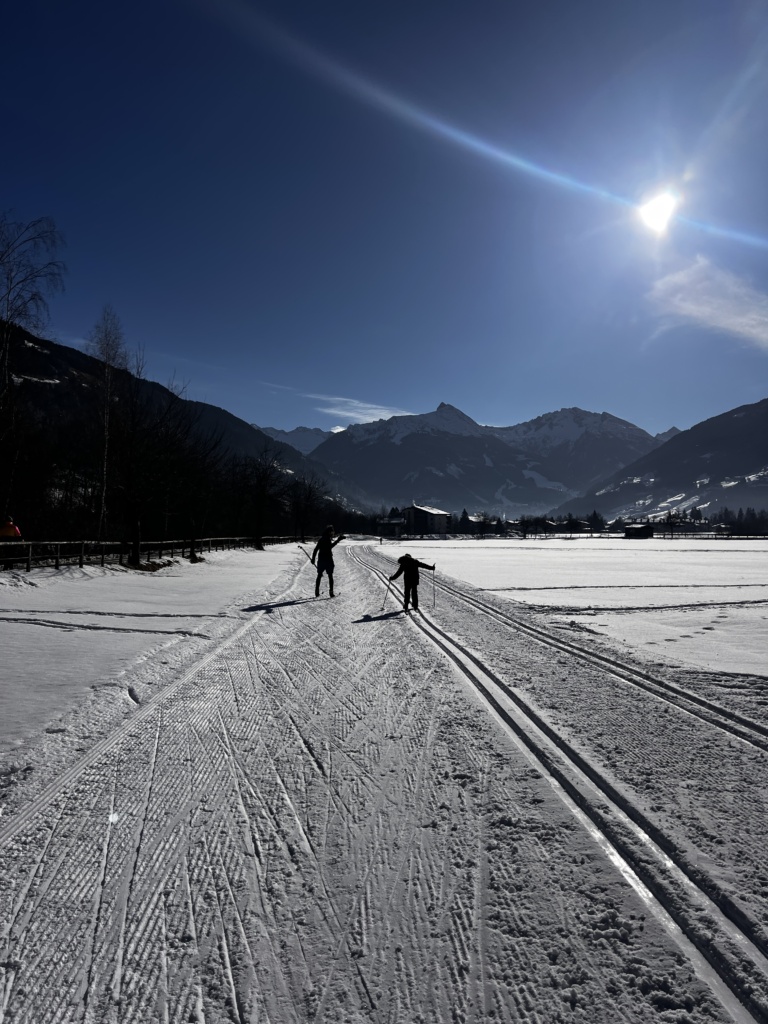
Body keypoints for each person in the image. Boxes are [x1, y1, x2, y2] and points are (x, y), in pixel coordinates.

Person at [311, 525, 345, 598]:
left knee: (319, 575)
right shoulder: (327, 539)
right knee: (330, 576)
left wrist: (313, 558)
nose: (333, 533)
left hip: (321, 560)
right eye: (332, 532)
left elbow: (316, 549)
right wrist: (338, 540)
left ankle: (317, 591)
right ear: (329, 532)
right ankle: (331, 592)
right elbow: (330, 547)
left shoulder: (321, 539)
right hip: (328, 560)